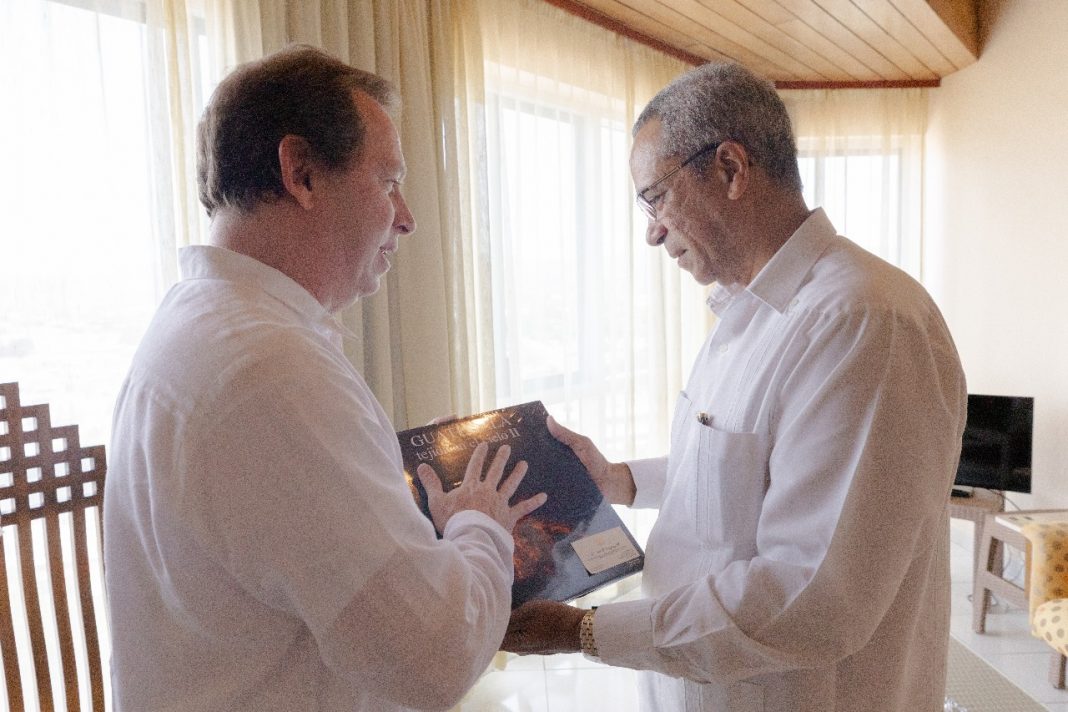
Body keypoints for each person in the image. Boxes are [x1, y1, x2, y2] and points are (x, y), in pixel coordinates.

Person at [503, 61, 967, 711]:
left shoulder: (862, 320)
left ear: (729, 169)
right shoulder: (752, 312)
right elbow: (745, 467)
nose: (652, 231)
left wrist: (580, 631)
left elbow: (813, 598)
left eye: (655, 197)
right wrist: (620, 480)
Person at [104, 44, 545, 712]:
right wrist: (479, 523)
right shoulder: (270, 370)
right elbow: (436, 658)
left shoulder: (193, 322)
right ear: (303, 173)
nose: (406, 216)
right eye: (388, 181)